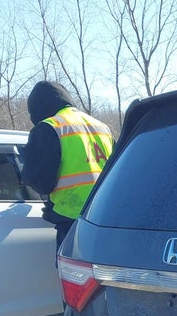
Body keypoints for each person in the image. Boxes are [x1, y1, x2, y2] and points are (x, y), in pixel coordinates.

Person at [22, 81, 113, 254]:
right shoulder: (102, 127)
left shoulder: (50, 127)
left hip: (72, 221)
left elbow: (40, 182)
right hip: (105, 219)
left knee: (75, 278)